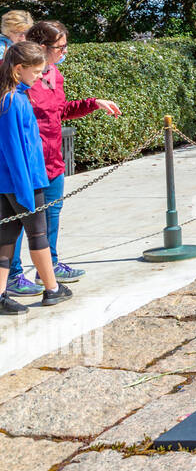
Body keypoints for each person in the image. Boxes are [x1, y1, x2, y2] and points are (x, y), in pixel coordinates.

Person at [4, 21, 120, 296]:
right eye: (60, 47)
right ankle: (14, 275)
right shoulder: (18, 82)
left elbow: (58, 111)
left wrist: (93, 103)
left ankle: (50, 266)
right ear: (42, 48)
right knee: (18, 223)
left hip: (53, 160)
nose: (65, 51)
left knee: (49, 218)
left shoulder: (53, 74)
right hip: (29, 163)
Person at [0, 42, 69, 313]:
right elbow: (16, 150)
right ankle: (52, 288)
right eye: (37, 71)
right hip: (25, 183)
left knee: (5, 239)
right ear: (19, 69)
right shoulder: (13, 100)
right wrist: (26, 192)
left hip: (10, 183)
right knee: (38, 235)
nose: (41, 76)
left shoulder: (13, 95)